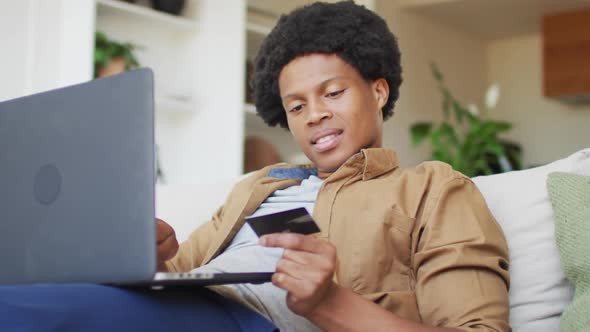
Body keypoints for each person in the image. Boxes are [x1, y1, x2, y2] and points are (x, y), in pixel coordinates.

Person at [157, 1, 510, 331]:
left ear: (379, 92)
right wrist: (151, 254)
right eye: (296, 107)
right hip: (174, 306)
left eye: (333, 93)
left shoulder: (432, 189)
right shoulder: (258, 187)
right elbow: (172, 273)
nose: (314, 115)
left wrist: (329, 303)